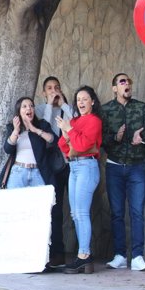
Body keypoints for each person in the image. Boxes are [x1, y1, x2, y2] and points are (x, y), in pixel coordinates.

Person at [102, 73, 145, 271]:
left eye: (129, 82)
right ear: (115, 88)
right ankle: (119, 256)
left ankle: (138, 257)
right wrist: (115, 137)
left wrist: (140, 138)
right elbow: (101, 139)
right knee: (117, 213)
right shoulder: (106, 110)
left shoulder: (140, 107)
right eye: (122, 82)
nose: (127, 84)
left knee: (136, 212)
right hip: (114, 166)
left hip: (136, 167)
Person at [56, 86, 103, 274]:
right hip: (74, 166)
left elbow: (83, 145)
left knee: (81, 212)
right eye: (78, 99)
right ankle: (83, 255)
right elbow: (63, 145)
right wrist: (69, 135)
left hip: (87, 166)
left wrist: (69, 131)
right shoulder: (74, 120)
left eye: (85, 99)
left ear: (92, 101)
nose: (81, 102)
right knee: (75, 213)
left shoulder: (95, 121)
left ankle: (84, 255)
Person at [35, 76, 73, 268]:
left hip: (69, 163)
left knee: (74, 208)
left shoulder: (67, 109)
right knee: (55, 209)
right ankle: (56, 252)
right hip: (51, 165)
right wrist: (50, 105)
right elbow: (45, 126)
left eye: (56, 87)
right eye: (49, 88)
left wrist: (64, 104)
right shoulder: (41, 109)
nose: (53, 90)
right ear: (44, 92)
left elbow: (74, 122)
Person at [3, 97, 55, 189]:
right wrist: (16, 131)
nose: (29, 108)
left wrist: (35, 130)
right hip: (18, 171)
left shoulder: (42, 124)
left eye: (31, 106)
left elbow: (52, 139)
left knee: (41, 202)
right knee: (15, 202)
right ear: (19, 111)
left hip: (38, 171)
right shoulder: (12, 127)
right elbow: (7, 149)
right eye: (24, 106)